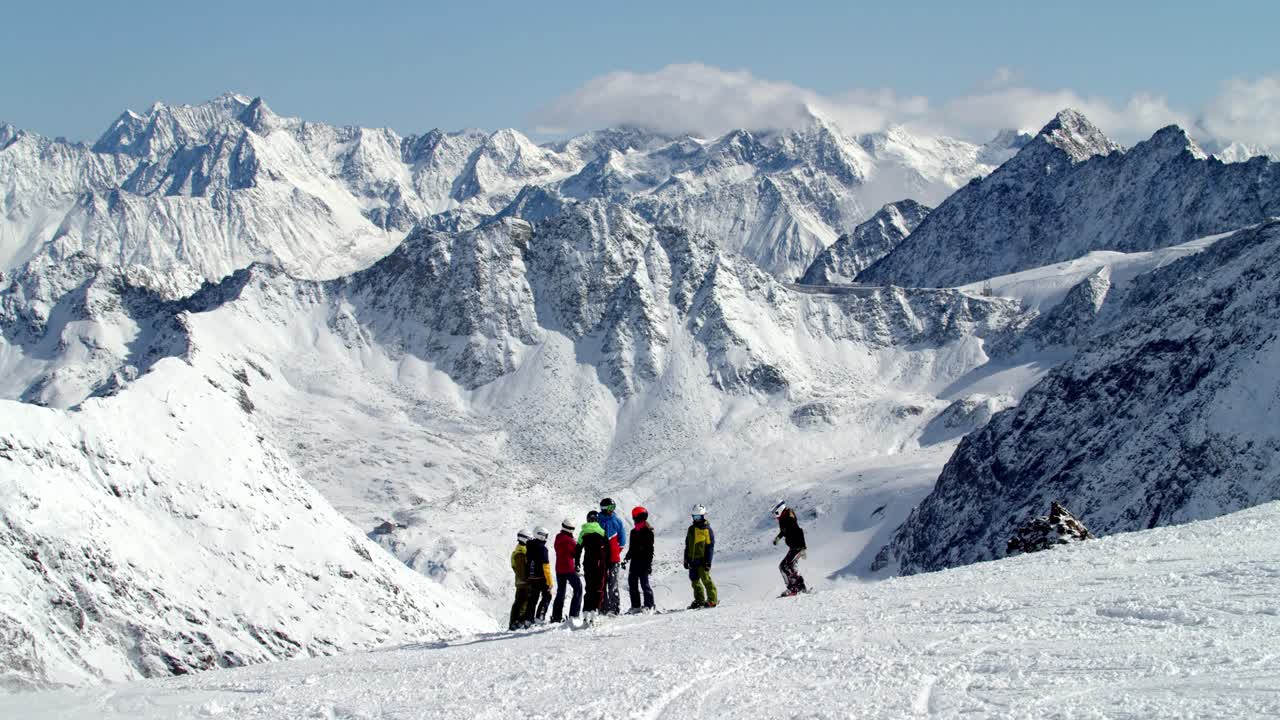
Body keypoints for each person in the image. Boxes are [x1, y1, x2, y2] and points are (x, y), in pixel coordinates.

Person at [683, 504, 718, 609]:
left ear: (703, 516)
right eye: (694, 517)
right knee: (694, 581)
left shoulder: (707, 530)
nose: (696, 519)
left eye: (698, 517)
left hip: (702, 561)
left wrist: (708, 562)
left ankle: (712, 600)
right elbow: (687, 545)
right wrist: (685, 559)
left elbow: (710, 547)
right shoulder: (691, 529)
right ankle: (699, 600)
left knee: (706, 580)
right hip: (692, 560)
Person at [597, 498, 628, 615]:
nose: (612, 510)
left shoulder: (617, 522)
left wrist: (615, 552)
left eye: (613, 508)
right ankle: (603, 607)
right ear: (604, 508)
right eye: (610, 508)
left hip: (613, 559)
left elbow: (623, 540)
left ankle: (614, 608)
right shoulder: (598, 521)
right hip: (601, 558)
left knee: (613, 583)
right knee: (602, 582)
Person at [577, 510, 610, 618]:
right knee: (598, 587)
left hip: (587, 562)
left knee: (589, 587)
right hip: (599, 562)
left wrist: (576, 562)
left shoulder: (583, 532)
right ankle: (595, 610)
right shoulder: (601, 531)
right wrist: (608, 564)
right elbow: (608, 549)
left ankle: (586, 610)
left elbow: (578, 549)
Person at [772, 501, 808, 596]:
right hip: (794, 547)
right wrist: (778, 538)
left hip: (797, 547)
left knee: (784, 566)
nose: (775, 515)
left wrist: (802, 548)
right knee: (790, 566)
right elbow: (784, 531)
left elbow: (798, 531)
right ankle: (800, 587)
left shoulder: (788, 518)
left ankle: (792, 589)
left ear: (780, 510)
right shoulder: (784, 517)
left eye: (775, 512)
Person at [624, 506, 655, 613]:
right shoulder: (633, 532)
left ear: (640, 517)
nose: (633, 519)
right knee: (632, 583)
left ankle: (649, 605)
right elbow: (631, 548)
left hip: (644, 562)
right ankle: (636, 606)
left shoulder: (648, 532)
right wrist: (626, 559)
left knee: (644, 584)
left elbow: (650, 550)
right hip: (634, 562)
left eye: (635, 517)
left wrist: (649, 565)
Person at [550, 518, 583, 622]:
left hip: (559, 568)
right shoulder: (569, 540)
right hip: (569, 568)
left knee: (561, 592)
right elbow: (575, 552)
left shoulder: (558, 537)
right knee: (578, 588)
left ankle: (556, 616)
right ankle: (574, 615)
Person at [524, 526, 554, 624]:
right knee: (547, 596)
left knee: (533, 599)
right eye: (545, 536)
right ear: (541, 536)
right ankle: (539, 617)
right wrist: (549, 582)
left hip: (531, 577)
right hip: (541, 577)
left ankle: (528, 619)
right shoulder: (542, 549)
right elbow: (546, 567)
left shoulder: (529, 546)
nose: (546, 538)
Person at [509, 529, 532, 631]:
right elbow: (523, 568)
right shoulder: (522, 552)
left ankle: (514, 623)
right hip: (524, 582)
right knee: (523, 602)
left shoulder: (517, 551)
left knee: (519, 602)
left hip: (520, 581)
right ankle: (518, 623)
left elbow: (514, 567)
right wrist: (528, 580)